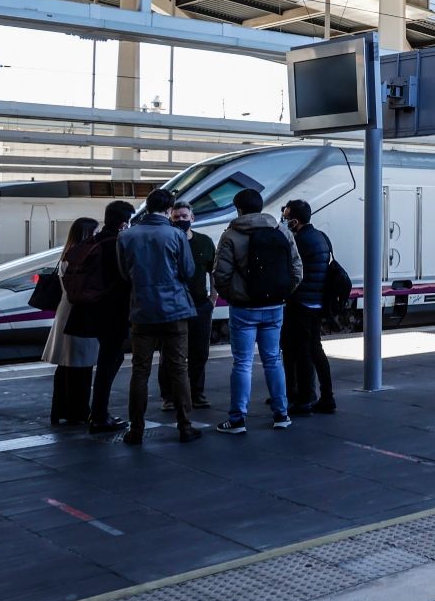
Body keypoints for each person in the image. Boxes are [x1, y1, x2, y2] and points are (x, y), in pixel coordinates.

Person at [212, 188, 301, 434]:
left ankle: (238, 419)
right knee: (273, 359)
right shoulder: (281, 230)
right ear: (261, 207)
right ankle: (281, 414)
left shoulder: (231, 235)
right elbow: (296, 269)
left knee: (242, 363)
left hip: (244, 309)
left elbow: (220, 275)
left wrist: (236, 296)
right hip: (274, 306)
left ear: (238, 209)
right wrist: (281, 294)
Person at [117, 188, 201, 445]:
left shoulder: (126, 236)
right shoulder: (176, 235)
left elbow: (123, 274)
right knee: (179, 368)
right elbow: (188, 271)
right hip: (174, 310)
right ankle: (185, 426)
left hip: (142, 311)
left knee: (140, 371)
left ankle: (136, 430)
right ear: (168, 210)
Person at [65, 200, 135, 434]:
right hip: (113, 311)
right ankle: (99, 415)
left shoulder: (92, 241)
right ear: (125, 222)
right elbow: (126, 277)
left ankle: (98, 412)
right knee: (109, 362)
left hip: (91, 310)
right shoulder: (117, 243)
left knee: (108, 361)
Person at [42, 217, 100, 426]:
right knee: (81, 366)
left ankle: (59, 410)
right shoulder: (83, 258)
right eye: (95, 232)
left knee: (65, 366)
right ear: (87, 234)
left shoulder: (66, 255)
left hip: (65, 310)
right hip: (80, 312)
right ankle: (79, 411)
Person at [281, 199, 336, 416]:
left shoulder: (299, 241)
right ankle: (327, 397)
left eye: (285, 218)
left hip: (300, 303)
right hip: (317, 303)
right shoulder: (321, 237)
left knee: (302, 353)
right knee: (315, 350)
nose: (284, 221)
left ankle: (304, 399)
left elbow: (291, 271)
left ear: (295, 221)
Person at [160, 200, 216, 411]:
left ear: (193, 218)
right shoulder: (167, 241)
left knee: (199, 351)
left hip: (200, 305)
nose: (181, 220)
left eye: (184, 216)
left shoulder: (204, 242)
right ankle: (170, 396)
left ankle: (196, 393)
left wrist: (213, 298)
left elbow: (214, 270)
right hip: (174, 305)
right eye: (176, 217)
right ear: (170, 219)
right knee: (171, 352)